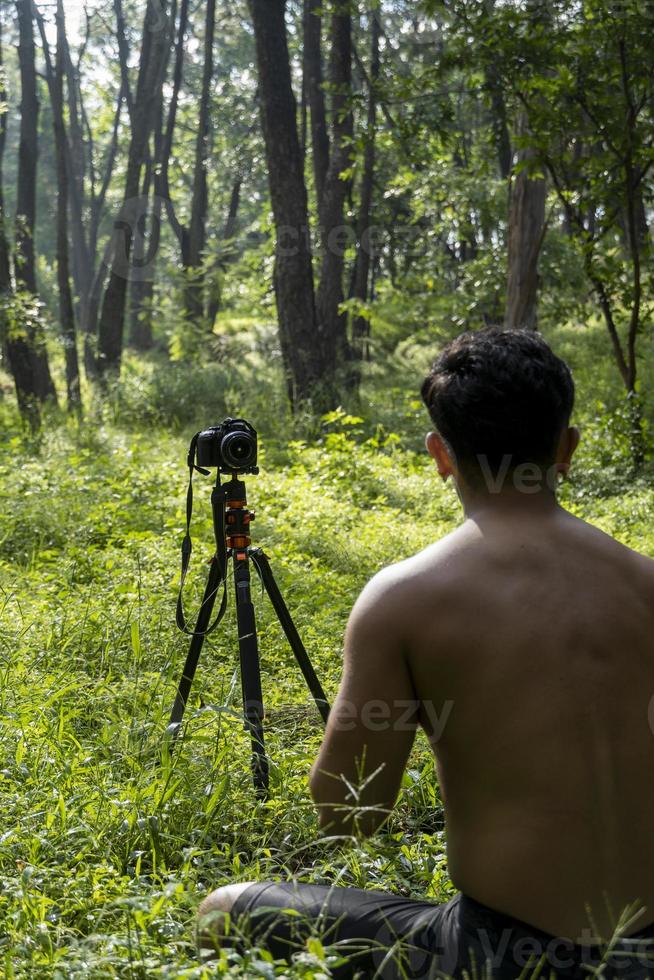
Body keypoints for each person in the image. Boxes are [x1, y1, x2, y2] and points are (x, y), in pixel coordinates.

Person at [197, 329, 654, 978]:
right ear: (567, 449)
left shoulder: (406, 598)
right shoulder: (647, 582)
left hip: (501, 952)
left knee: (223, 909)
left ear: (440, 454)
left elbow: (348, 811)